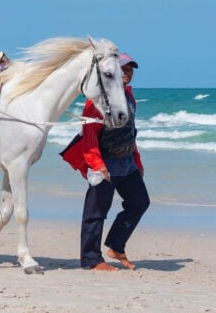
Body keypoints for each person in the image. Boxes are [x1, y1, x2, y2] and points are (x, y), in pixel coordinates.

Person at [60, 53, 149, 271]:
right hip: (105, 162)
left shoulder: (129, 96)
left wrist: (137, 161)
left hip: (127, 162)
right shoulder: (97, 100)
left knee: (139, 202)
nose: (127, 72)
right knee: (96, 213)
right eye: (123, 68)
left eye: (130, 69)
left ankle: (116, 247)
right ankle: (91, 259)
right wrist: (97, 164)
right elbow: (89, 134)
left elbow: (130, 131)